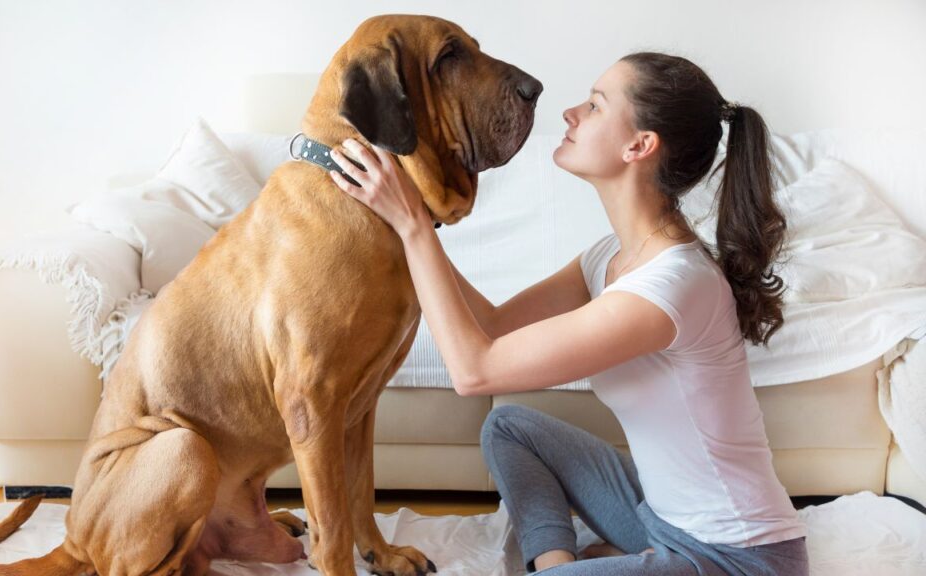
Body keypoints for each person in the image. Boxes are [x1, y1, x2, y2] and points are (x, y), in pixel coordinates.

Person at [327, 51, 808, 576]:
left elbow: (475, 370)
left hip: (739, 557)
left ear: (639, 146)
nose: (570, 114)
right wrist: (408, 227)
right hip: (655, 517)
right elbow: (491, 327)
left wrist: (413, 226)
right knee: (509, 427)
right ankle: (554, 560)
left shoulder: (675, 285)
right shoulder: (610, 256)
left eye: (596, 106)